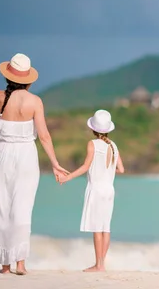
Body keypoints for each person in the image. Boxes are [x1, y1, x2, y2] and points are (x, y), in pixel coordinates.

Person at [0, 53, 69, 275]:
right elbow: (44, 136)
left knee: (1, 206)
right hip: (26, 156)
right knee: (22, 207)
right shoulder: (35, 101)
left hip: (2, 155)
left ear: (7, 75)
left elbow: (3, 117)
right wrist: (55, 163)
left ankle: (4, 265)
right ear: (30, 79)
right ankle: (21, 263)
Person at [58, 109, 125, 272]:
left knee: (97, 228)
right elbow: (121, 169)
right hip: (109, 190)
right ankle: (102, 263)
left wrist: (68, 177)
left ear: (93, 128)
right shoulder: (114, 145)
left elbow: (85, 167)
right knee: (105, 227)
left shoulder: (92, 144)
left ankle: (98, 265)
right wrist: (106, 172)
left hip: (97, 189)